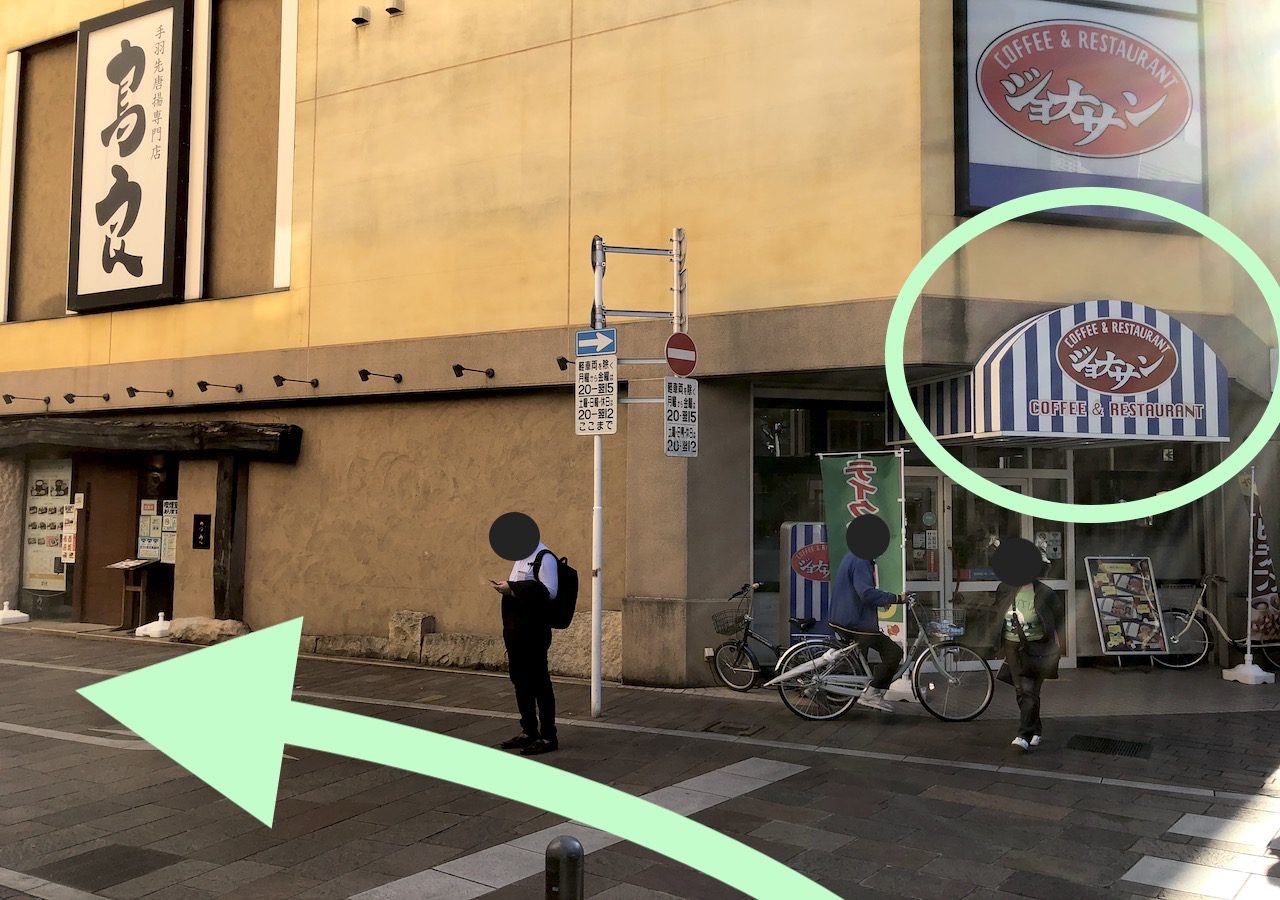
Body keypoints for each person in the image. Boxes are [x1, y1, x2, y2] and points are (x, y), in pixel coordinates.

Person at [492, 541, 559, 755]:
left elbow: (550, 592)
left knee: (540, 683)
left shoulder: (545, 557)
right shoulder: (521, 558)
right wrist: (508, 588)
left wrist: (513, 588)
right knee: (520, 681)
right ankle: (529, 730)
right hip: (516, 631)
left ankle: (548, 735)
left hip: (534, 631)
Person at [828, 550, 906, 713]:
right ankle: (871, 694)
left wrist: (882, 600)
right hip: (855, 621)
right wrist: (895, 598)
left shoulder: (852, 555)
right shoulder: (861, 559)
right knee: (893, 653)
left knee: (858, 661)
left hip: (843, 617)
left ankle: (832, 693)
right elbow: (865, 593)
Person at [995, 569, 1064, 751]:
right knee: (1022, 692)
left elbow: (1058, 618)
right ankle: (1036, 729)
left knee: (1029, 690)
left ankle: (1023, 736)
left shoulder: (1045, 593)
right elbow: (998, 613)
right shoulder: (1005, 588)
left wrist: (1056, 643)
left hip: (1038, 647)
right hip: (1012, 646)